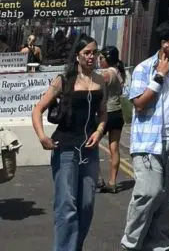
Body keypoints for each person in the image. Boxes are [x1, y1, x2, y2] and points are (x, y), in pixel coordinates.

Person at [119, 20, 169, 251]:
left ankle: (159, 246)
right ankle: (131, 244)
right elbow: (139, 104)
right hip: (149, 142)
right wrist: (159, 76)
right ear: (164, 43)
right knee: (148, 192)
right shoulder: (144, 69)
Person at [31, 34, 107, 251]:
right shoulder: (63, 81)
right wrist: (42, 137)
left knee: (86, 205)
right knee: (67, 206)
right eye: (87, 53)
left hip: (89, 150)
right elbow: (37, 109)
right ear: (77, 56)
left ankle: (74, 246)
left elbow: (103, 114)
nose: (91, 57)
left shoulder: (100, 81)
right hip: (65, 149)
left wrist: (99, 131)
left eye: (94, 52)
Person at [98, 45, 126, 192]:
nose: (99, 60)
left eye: (101, 58)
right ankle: (112, 182)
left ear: (107, 59)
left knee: (91, 145)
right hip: (117, 112)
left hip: (105, 113)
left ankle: (98, 179)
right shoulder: (119, 72)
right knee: (114, 148)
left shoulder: (106, 74)